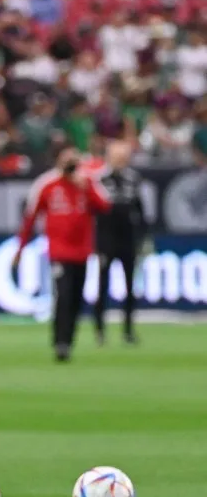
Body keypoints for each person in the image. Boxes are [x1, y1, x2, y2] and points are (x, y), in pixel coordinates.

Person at [14, 147, 112, 362]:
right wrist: (20, 248)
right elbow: (30, 217)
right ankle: (60, 342)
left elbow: (105, 205)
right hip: (59, 251)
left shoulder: (87, 182)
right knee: (64, 296)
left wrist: (86, 186)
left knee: (77, 298)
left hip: (82, 251)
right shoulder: (47, 184)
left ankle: (69, 340)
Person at [93, 141, 149, 345]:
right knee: (102, 286)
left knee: (129, 286)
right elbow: (93, 212)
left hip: (127, 238)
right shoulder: (99, 179)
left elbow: (140, 210)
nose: (120, 160)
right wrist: (95, 242)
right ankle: (100, 331)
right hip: (106, 239)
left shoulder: (133, 178)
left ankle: (128, 330)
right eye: (117, 156)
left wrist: (143, 238)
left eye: (123, 157)